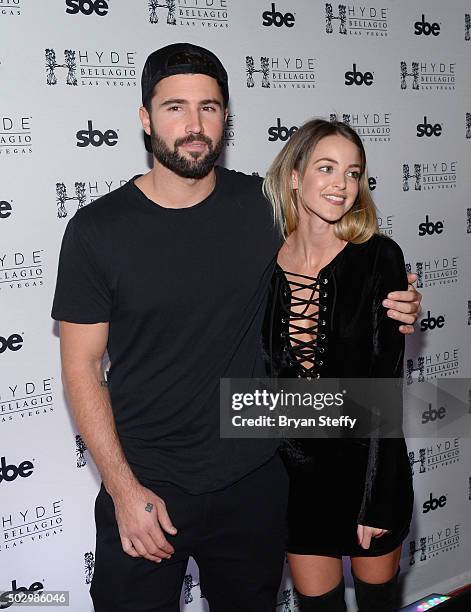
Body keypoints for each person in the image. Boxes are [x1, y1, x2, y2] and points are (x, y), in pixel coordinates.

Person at [51, 44, 420, 611]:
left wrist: (395, 299)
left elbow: (342, 253)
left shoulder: (266, 206)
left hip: (256, 483)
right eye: (175, 107)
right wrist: (124, 490)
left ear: (226, 118)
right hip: (149, 486)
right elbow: (79, 367)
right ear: (146, 119)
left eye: (210, 107)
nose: (194, 125)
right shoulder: (96, 230)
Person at [262, 119, 414, 611]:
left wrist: (378, 496)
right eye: (326, 168)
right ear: (294, 175)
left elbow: (385, 388)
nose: (341, 185)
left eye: (353, 173)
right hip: (293, 477)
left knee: (376, 604)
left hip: (366, 468)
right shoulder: (260, 262)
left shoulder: (379, 258)